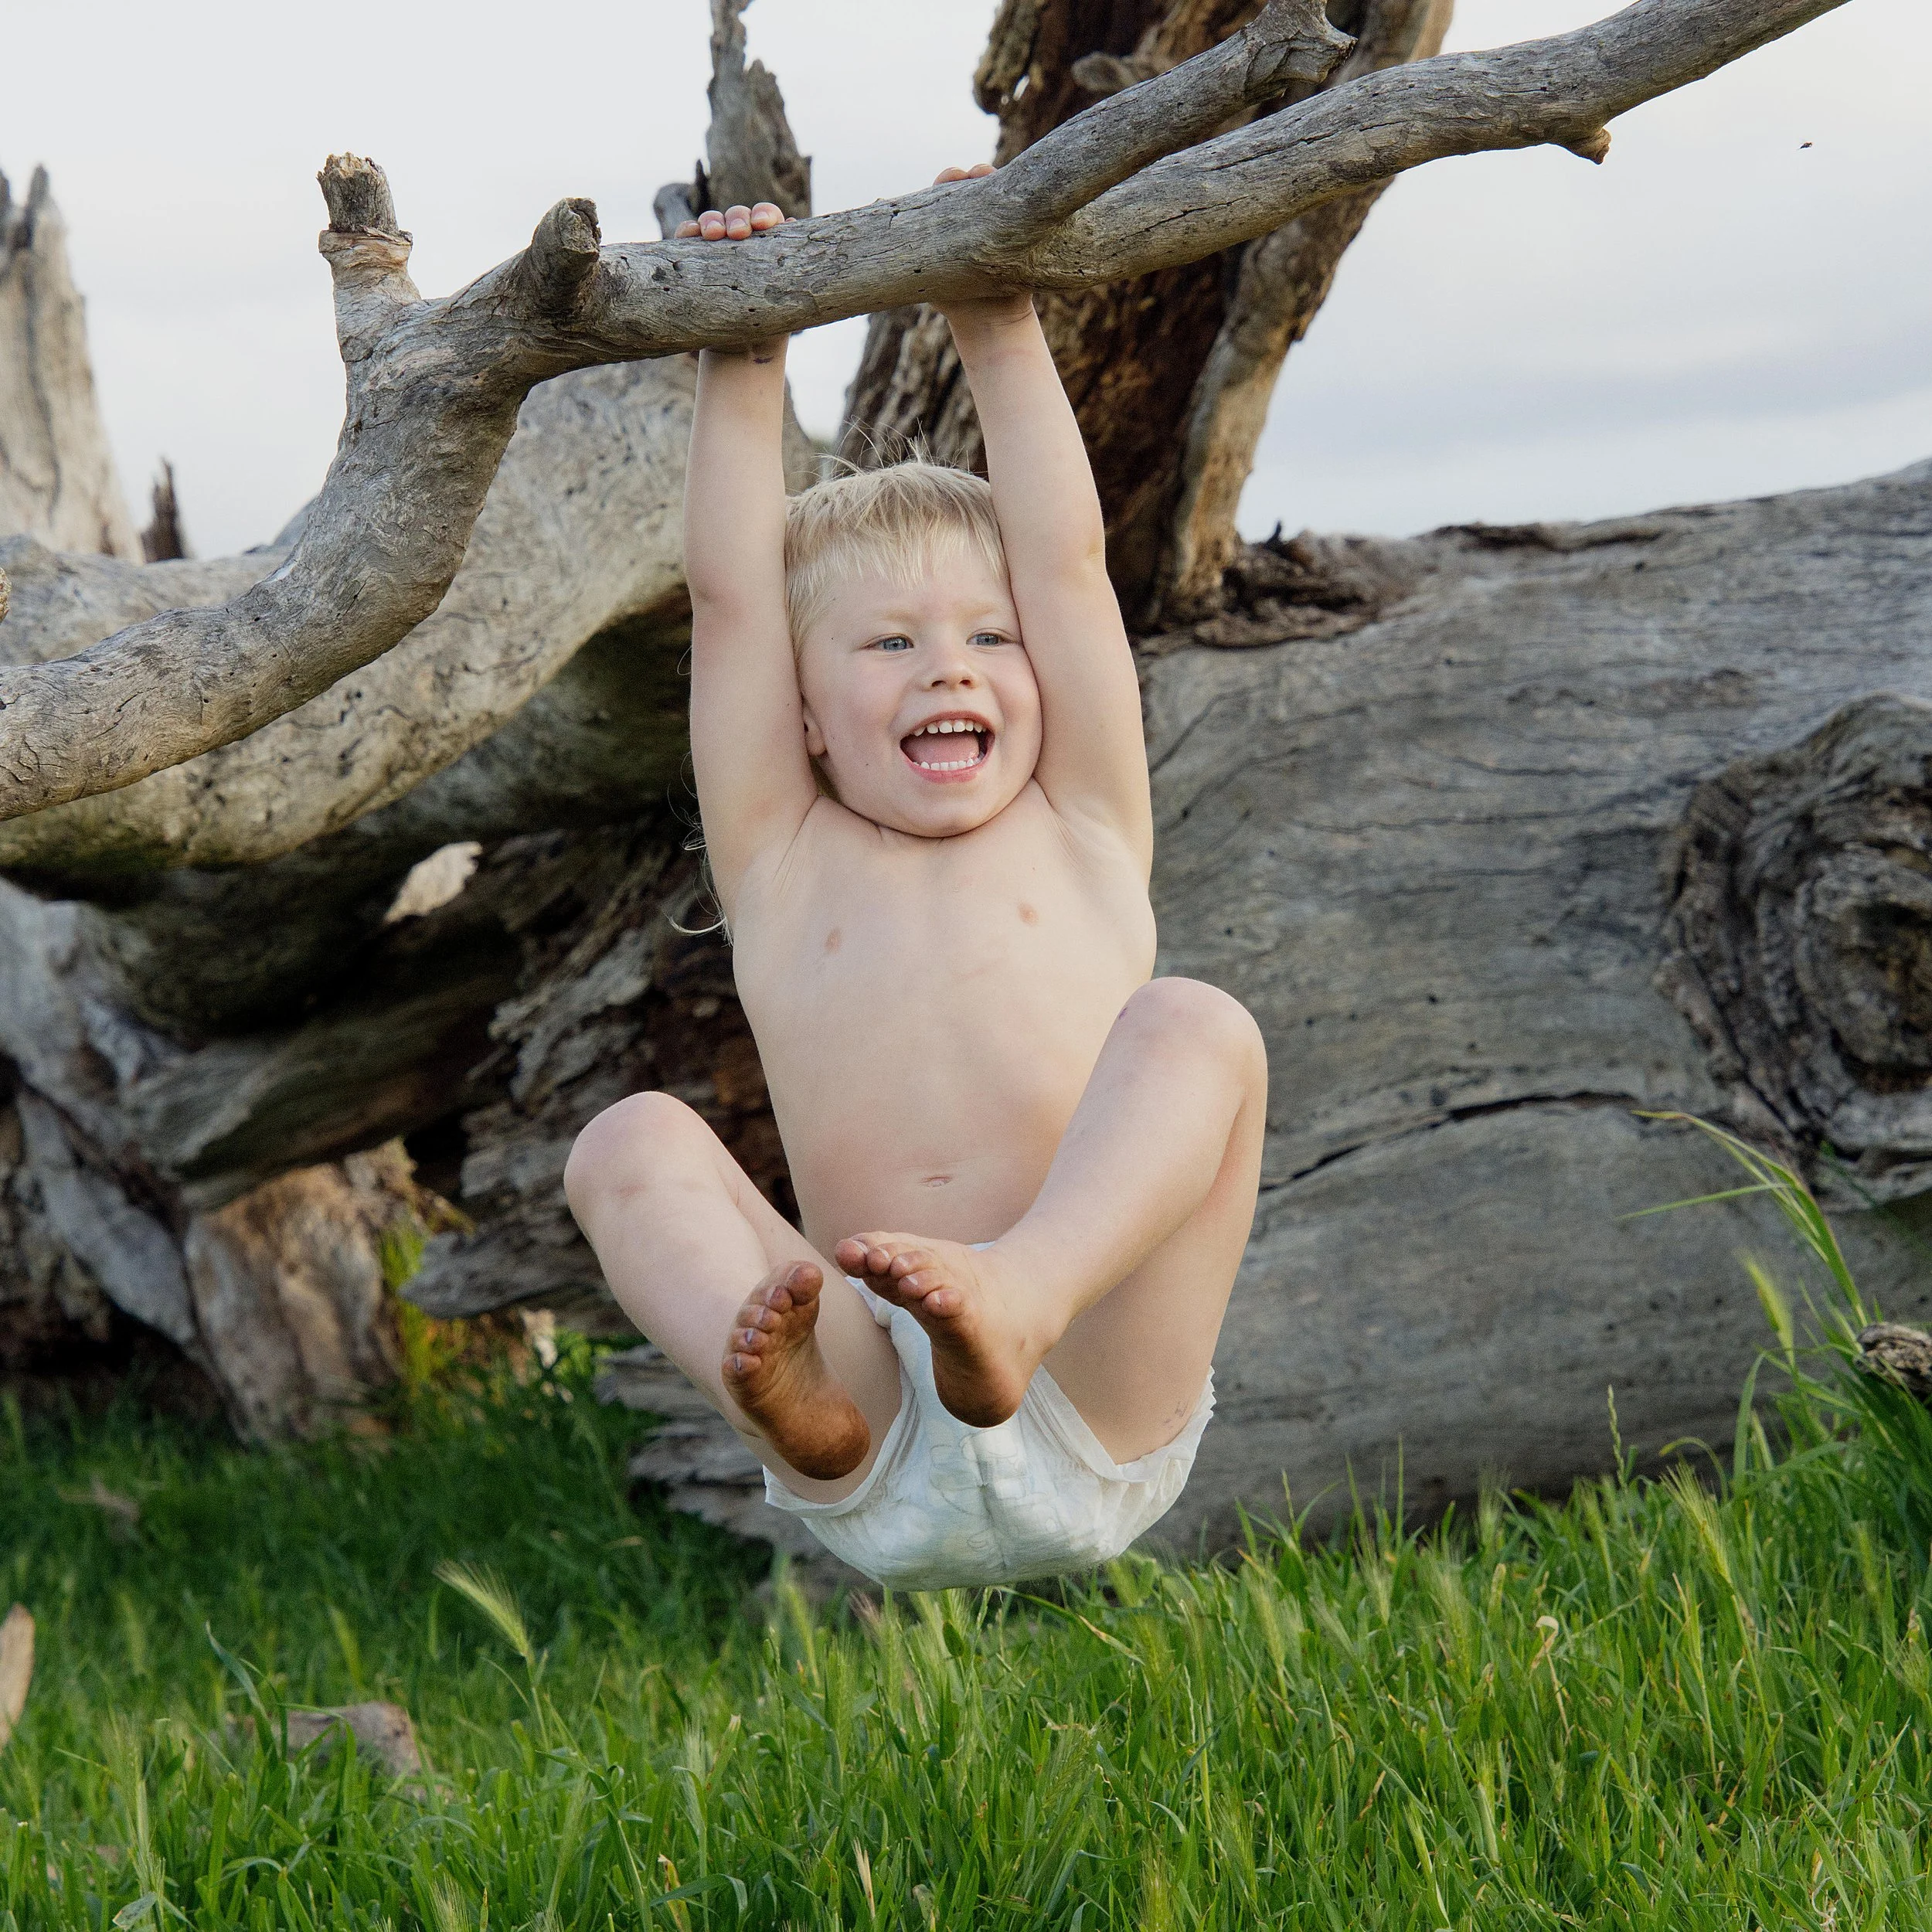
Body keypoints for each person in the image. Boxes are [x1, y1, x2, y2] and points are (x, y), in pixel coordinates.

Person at [563, 170, 1267, 1589]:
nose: (948, 664)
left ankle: (1026, 1286)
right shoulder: (784, 857)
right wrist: (742, 347)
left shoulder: (1081, 822)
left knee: (1200, 1027)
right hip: (869, 1409)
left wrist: (994, 311)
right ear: (805, 715)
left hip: (1092, 1368)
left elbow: (1068, 566)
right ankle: (792, 1414)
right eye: (887, 646)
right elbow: (732, 602)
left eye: (985, 640)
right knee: (623, 1146)